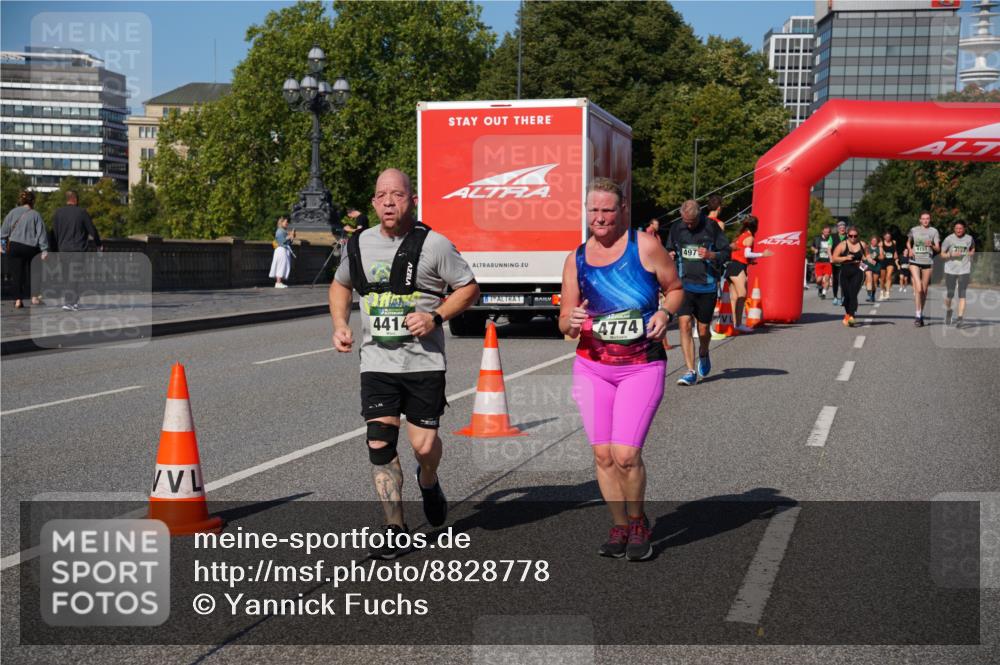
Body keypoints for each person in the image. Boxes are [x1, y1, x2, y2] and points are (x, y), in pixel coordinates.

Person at [330, 168, 480, 560]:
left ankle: (428, 481)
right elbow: (340, 284)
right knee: (379, 442)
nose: (390, 202)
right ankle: (394, 525)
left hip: (423, 364)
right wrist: (341, 324)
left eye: (398, 194)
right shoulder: (358, 244)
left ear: (412, 199)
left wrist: (436, 317)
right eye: (383, 195)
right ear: (374, 203)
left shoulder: (434, 245)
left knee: (423, 445)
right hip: (377, 364)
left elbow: (469, 288)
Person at [559, 177, 683, 561]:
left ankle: (638, 519)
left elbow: (676, 288)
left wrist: (664, 311)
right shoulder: (576, 258)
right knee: (603, 456)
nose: (599, 217)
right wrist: (572, 321)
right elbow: (564, 321)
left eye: (607, 210)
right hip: (592, 366)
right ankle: (619, 525)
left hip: (641, 365)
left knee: (626, 454)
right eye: (593, 210)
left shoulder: (644, 246)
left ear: (622, 210)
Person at [666, 199, 731, 385]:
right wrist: (669, 253)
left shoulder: (712, 227)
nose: (688, 225)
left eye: (692, 222)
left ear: (699, 215)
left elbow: (727, 252)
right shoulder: (677, 228)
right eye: (685, 221)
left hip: (707, 286)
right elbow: (670, 248)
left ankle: (704, 351)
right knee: (685, 324)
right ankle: (690, 370)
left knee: (703, 330)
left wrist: (711, 255)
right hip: (684, 285)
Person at [51, 190, 101, 310]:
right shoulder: (81, 212)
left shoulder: (58, 213)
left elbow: (54, 233)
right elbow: (92, 230)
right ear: (76, 199)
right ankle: (70, 302)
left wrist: (53, 249)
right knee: (74, 276)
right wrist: (98, 244)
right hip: (78, 249)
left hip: (63, 249)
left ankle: (72, 301)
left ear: (67, 199)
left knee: (67, 276)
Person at [1, 190, 49, 309]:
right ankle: (34, 297)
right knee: (35, 272)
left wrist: (1, 245)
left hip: (15, 246)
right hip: (30, 247)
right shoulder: (35, 214)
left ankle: (18, 300)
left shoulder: (12, 212)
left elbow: (3, 231)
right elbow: (41, 234)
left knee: (17, 274)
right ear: (33, 201)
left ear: (21, 200)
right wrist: (44, 249)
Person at [727, 215, 772, 332]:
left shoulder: (740, 236)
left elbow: (742, 253)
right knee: (742, 295)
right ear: (755, 226)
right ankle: (737, 324)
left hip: (732, 266)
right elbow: (747, 254)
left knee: (734, 297)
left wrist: (750, 261)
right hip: (738, 267)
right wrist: (762, 254)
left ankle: (731, 323)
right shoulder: (749, 237)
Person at [906, 211, 940, 327]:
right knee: (919, 288)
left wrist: (931, 245)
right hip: (914, 261)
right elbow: (908, 242)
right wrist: (910, 249)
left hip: (927, 262)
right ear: (920, 220)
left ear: (930, 220)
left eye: (927, 218)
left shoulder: (934, 231)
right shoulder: (914, 230)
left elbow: (938, 249)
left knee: (924, 290)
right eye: (923, 219)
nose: (925, 220)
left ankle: (920, 314)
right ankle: (917, 314)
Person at [941, 221, 975, 328]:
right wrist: (951, 254)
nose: (958, 230)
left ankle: (960, 318)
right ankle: (949, 310)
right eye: (956, 228)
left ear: (964, 228)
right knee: (950, 294)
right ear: (954, 229)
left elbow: (973, 249)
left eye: (960, 228)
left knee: (962, 294)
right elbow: (942, 254)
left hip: (964, 270)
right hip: (950, 269)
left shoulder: (969, 239)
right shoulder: (948, 239)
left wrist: (971, 253)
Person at [832, 226, 868, 327]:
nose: (853, 238)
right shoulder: (842, 245)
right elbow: (834, 258)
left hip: (858, 271)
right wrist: (845, 258)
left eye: (855, 236)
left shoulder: (863, 244)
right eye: (850, 236)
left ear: (858, 236)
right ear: (847, 235)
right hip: (845, 271)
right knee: (846, 296)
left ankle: (852, 316)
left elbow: (867, 255)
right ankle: (848, 314)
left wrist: (870, 260)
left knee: (853, 293)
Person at [269, 216, 295, 288]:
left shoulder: (284, 231)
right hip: (281, 249)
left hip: (284, 249)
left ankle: (279, 281)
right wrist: (289, 236)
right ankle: (278, 282)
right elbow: (281, 241)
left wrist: (291, 236)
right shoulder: (280, 231)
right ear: (281, 222)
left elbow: (288, 242)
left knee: (283, 265)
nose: (287, 223)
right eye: (286, 222)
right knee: (281, 265)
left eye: (287, 222)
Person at [810, 225, 834, 299]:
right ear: (822, 231)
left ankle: (824, 293)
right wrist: (814, 250)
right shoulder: (817, 238)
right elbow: (812, 246)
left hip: (828, 262)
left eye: (828, 232)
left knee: (827, 278)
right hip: (819, 261)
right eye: (825, 232)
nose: (827, 233)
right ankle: (820, 288)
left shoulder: (831, 239)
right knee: (819, 279)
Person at [830, 221, 848, 305]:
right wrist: (831, 258)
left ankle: (843, 297)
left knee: (843, 280)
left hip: (844, 261)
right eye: (840, 228)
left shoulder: (848, 236)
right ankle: (835, 297)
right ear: (838, 229)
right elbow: (829, 248)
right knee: (835, 280)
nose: (842, 229)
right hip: (835, 261)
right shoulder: (832, 237)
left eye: (843, 228)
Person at [879, 230, 899, 301]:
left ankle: (887, 292)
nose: (888, 238)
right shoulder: (881, 243)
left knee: (889, 276)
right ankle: (882, 292)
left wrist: (896, 254)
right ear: (884, 237)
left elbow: (895, 250)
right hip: (883, 261)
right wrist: (882, 255)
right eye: (886, 236)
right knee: (882, 278)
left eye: (889, 236)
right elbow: (881, 252)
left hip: (891, 261)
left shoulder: (893, 242)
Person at [864, 234, 882, 303]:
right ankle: (869, 295)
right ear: (870, 241)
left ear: (877, 242)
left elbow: (882, 257)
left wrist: (877, 258)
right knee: (869, 278)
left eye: (875, 241)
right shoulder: (867, 248)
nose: (874, 242)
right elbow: (863, 256)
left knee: (874, 282)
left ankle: (873, 295)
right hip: (868, 266)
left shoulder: (879, 248)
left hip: (876, 266)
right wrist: (867, 259)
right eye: (873, 240)